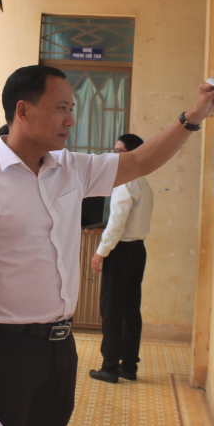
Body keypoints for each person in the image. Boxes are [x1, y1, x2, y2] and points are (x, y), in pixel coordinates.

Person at [0, 65, 214, 426]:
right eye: (60, 109)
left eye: (71, 108)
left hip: (59, 349)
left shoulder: (70, 169)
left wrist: (193, 116)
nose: (71, 119)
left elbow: (142, 159)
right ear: (23, 110)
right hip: (3, 352)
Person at [87, 133, 154, 384]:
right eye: (114, 150)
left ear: (133, 154)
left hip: (121, 252)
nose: (114, 155)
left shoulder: (126, 182)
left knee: (112, 309)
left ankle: (110, 367)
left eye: (119, 151)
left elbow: (117, 224)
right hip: (137, 250)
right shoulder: (142, 182)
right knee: (129, 310)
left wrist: (100, 252)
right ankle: (128, 366)